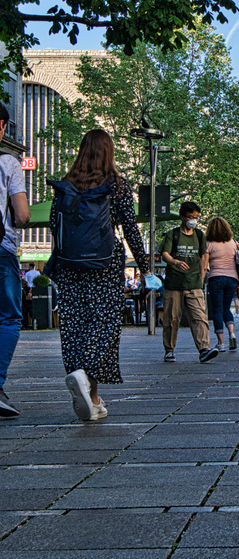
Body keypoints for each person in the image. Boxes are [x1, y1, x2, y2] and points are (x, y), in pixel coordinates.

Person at [49, 129, 148, 420]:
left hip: (69, 266)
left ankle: (91, 396)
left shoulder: (65, 185)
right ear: (109, 153)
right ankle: (85, 375)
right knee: (103, 324)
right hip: (105, 265)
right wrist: (143, 267)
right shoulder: (116, 185)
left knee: (74, 326)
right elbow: (130, 228)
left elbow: (55, 225)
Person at [0, 106, 30, 417]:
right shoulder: (7, 162)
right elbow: (21, 215)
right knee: (8, 317)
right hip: (1, 249)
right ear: (3, 126)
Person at [160, 201, 217, 364]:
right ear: (182, 217)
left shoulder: (199, 235)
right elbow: (164, 253)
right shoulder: (173, 234)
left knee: (200, 317)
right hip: (174, 284)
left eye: (196, 217)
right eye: (190, 217)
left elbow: (204, 254)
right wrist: (175, 262)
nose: (193, 220)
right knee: (171, 318)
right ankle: (169, 350)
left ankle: (204, 349)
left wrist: (202, 273)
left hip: (194, 283)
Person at [205, 216, 239, 352]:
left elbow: (204, 263)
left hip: (216, 277)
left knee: (217, 310)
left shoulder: (209, 243)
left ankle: (221, 342)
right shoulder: (233, 242)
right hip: (232, 278)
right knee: (226, 308)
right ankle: (232, 333)